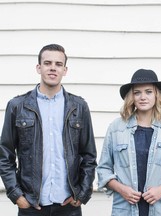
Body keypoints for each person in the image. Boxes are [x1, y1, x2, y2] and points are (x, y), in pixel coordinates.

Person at [0, 44, 97, 216]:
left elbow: (89, 156)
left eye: (58, 64)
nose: (53, 68)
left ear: (65, 70)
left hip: (69, 205)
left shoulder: (79, 107)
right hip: (31, 205)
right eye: (47, 63)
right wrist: (17, 195)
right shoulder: (17, 106)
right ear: (39, 67)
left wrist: (82, 194)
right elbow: (5, 155)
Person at [96, 69, 161, 216]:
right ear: (131, 97)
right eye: (137, 93)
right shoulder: (116, 128)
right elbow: (103, 169)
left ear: (157, 95)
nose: (143, 97)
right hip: (125, 210)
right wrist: (122, 189)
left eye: (148, 92)